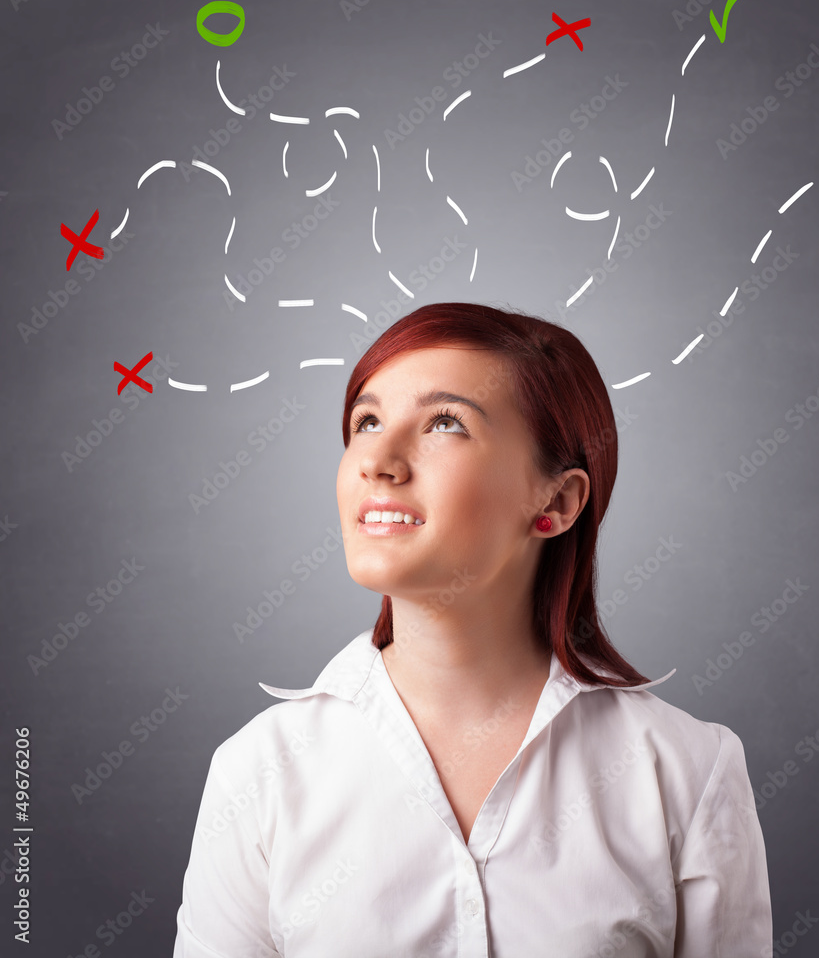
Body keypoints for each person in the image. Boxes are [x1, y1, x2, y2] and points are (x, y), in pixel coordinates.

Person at [173, 302, 772, 957]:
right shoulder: (258, 773)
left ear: (556, 502)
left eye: (444, 422)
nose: (378, 460)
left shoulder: (686, 770)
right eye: (366, 421)